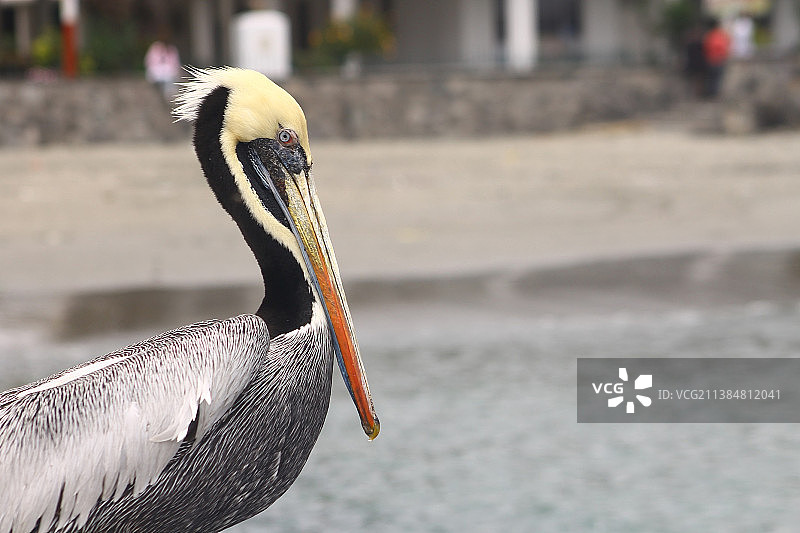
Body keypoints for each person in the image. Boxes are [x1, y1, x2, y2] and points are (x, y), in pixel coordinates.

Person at [702, 19, 730, 98]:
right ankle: (713, 93)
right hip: (716, 60)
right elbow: (723, 48)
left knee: (712, 78)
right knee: (715, 78)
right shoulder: (719, 36)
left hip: (712, 60)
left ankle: (712, 93)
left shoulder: (709, 35)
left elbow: (706, 47)